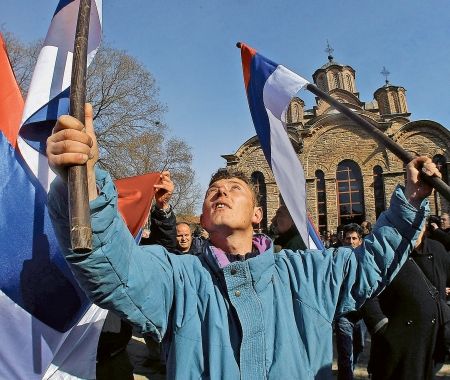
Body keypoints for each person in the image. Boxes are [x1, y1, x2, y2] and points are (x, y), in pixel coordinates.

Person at [46, 104, 438, 379]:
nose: (221, 192)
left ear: (257, 215)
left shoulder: (305, 272)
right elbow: (114, 268)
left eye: (234, 187)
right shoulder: (180, 278)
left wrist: (412, 201)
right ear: (201, 219)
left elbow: (368, 264)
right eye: (212, 190)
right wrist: (83, 181)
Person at [360, 221, 450, 380]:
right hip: (397, 342)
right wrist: (381, 327)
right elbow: (367, 291)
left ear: (425, 227)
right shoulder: (386, 253)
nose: (413, 231)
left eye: (418, 227)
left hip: (433, 338)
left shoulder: (437, 250)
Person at [335, 223, 367, 380]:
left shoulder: (366, 258)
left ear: (360, 240)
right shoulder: (336, 258)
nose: (351, 241)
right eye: (348, 238)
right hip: (344, 312)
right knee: (345, 352)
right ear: (343, 240)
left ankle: (350, 371)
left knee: (359, 346)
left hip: (361, 312)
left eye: (354, 238)